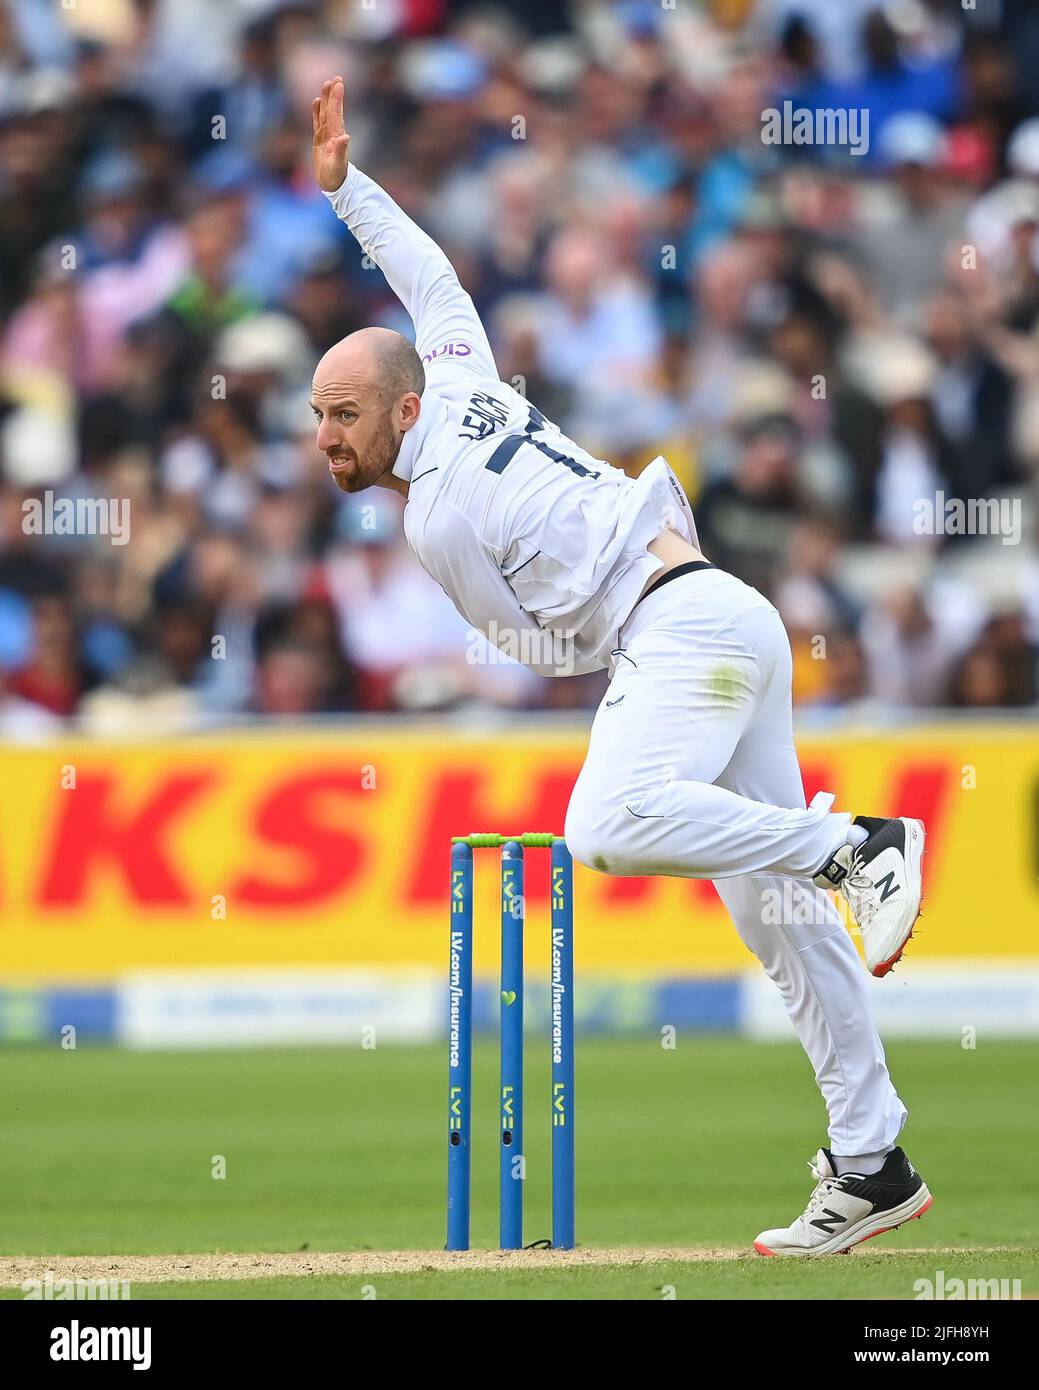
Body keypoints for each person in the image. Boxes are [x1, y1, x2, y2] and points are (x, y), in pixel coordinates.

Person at [309, 77, 932, 1256]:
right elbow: (430, 277)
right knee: (777, 921)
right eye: (315, 415)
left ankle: (857, 843)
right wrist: (347, 190)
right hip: (725, 611)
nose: (325, 438)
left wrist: (574, 652)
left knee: (605, 824)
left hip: (674, 634)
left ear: (401, 410)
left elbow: (522, 643)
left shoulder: (432, 514)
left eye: (342, 415)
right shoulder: (471, 378)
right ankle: (873, 1160)